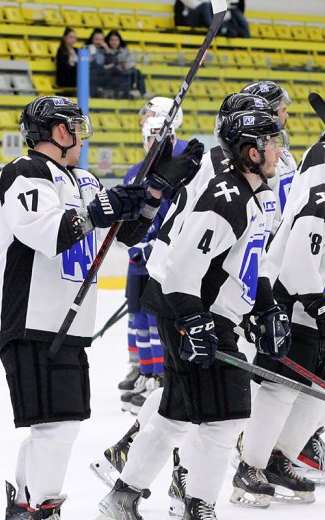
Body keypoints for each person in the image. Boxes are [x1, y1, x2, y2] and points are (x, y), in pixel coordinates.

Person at [0, 95, 203, 519]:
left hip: (67, 323)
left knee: (55, 423)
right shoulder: (25, 172)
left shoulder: (84, 180)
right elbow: (50, 232)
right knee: (57, 425)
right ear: (58, 131)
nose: (81, 137)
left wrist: (155, 190)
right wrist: (100, 209)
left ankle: (25, 506)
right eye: (75, 128)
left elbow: (124, 233)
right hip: (31, 317)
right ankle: (40, 509)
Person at [98, 109, 291, 520]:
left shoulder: (257, 195)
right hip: (196, 312)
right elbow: (182, 267)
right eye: (272, 143)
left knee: (176, 413)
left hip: (203, 312)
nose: (279, 150)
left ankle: (122, 498)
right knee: (226, 417)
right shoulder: (227, 198)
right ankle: (198, 506)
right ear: (250, 151)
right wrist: (192, 319)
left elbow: (247, 263)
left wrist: (266, 307)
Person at [232, 135, 325, 507]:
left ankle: (279, 458)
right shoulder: (322, 202)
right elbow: (297, 264)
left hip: (311, 310)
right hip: (290, 309)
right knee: (281, 389)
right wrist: (320, 305)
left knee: (324, 384)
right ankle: (250, 467)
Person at [119, 99, 188, 414]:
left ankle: (161, 375)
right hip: (141, 262)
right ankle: (146, 372)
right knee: (139, 315)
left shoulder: (183, 166)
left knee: (158, 318)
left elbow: (178, 218)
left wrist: (156, 246)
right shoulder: (136, 171)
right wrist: (135, 245)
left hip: (165, 262)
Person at [240, 81, 296, 222]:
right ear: (270, 114)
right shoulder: (261, 161)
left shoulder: (280, 153)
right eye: (283, 110)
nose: (287, 115)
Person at [104, 30, 145, 99]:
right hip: (110, 74)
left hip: (124, 71)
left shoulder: (124, 50)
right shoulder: (104, 50)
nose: (114, 42)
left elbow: (128, 62)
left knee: (136, 72)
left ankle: (143, 93)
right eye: (112, 40)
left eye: (116, 40)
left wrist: (126, 64)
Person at [85, 29, 109, 98]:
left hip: (103, 75)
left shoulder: (105, 50)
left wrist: (107, 50)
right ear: (92, 39)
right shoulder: (86, 48)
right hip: (91, 75)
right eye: (96, 39)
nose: (99, 42)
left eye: (101, 40)